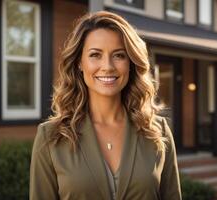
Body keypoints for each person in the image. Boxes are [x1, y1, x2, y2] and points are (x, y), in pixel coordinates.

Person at [29, 11, 181, 200]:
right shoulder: (50, 137)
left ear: (130, 63)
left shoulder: (158, 132)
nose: (108, 66)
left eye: (119, 55)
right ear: (79, 63)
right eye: (95, 55)